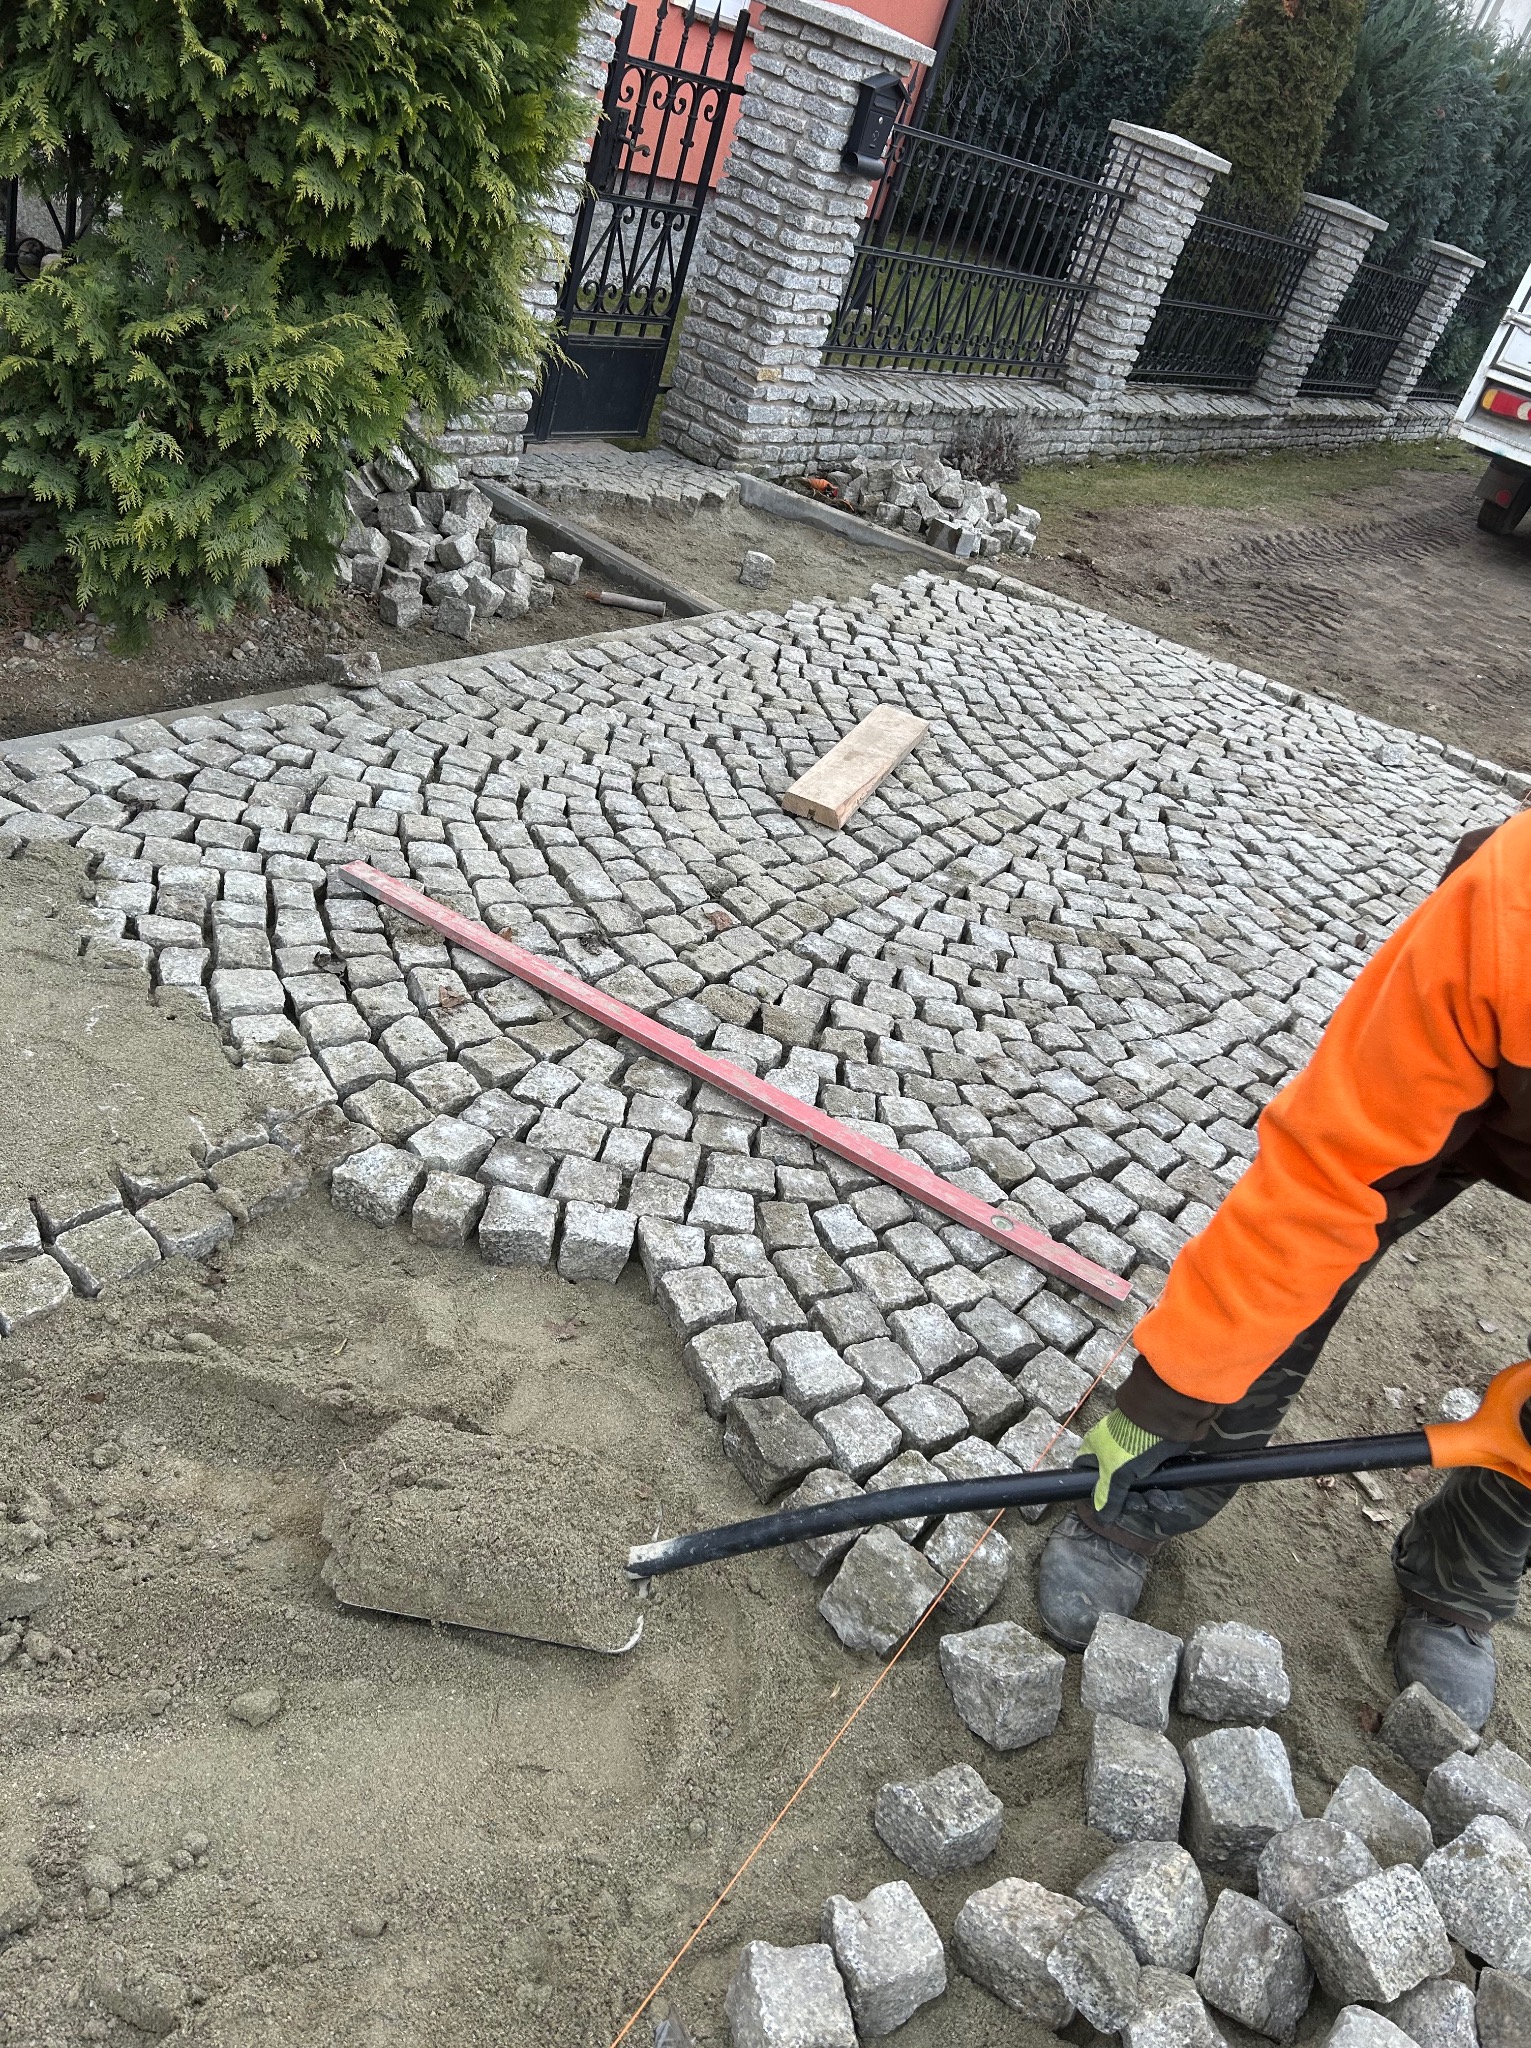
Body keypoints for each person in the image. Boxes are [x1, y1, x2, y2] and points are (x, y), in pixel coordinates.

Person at [1040, 809, 1531, 1729]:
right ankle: (1155, 1489)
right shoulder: (1516, 903)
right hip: (1493, 1082)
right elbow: (1325, 1178)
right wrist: (1164, 1400)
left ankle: (1462, 1573)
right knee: (1303, 1265)